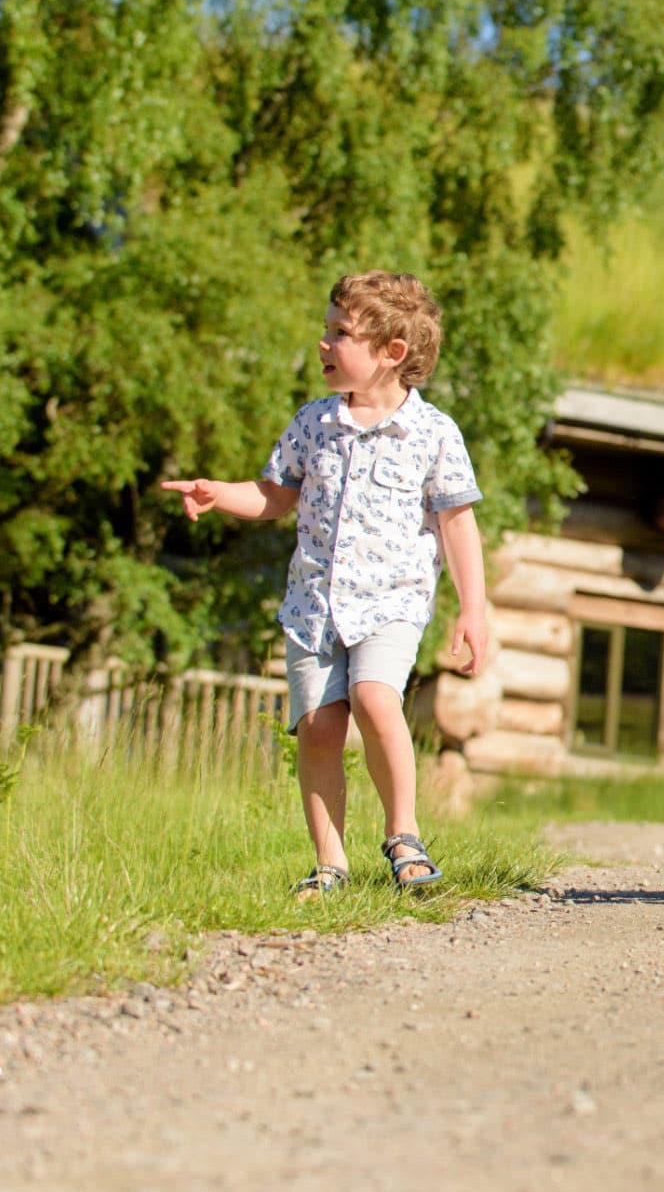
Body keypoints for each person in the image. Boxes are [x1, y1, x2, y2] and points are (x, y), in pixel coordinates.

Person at [161, 272, 492, 898]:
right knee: (317, 725)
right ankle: (330, 863)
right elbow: (275, 494)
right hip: (313, 605)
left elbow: (458, 521)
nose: (324, 343)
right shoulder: (314, 423)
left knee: (374, 698)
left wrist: (472, 608)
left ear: (392, 353)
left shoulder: (433, 434)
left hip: (390, 604)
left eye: (340, 333)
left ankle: (404, 834)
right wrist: (217, 494)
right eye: (326, 329)